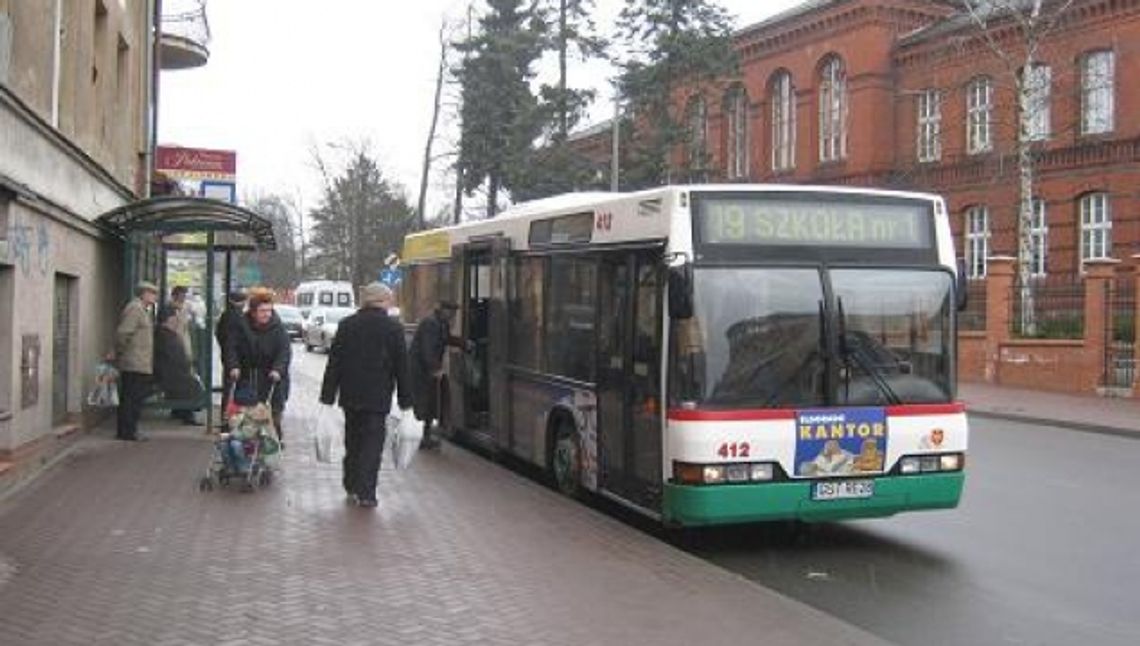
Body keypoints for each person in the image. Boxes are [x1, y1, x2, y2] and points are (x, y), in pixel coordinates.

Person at [320, 283, 412, 508]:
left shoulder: (347, 325)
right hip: (378, 397)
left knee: (353, 441)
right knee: (372, 445)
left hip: (350, 396)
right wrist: (406, 401)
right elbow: (402, 367)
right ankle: (367, 492)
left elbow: (335, 363)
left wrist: (327, 397)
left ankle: (351, 484)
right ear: (383, 301)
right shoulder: (393, 329)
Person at [224, 289, 291, 444]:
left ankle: (272, 445)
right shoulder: (242, 325)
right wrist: (234, 366)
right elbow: (231, 347)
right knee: (245, 415)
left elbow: (284, 352)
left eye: (269, 310)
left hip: (271, 379)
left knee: (272, 415)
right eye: (262, 311)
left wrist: (278, 369)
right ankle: (246, 446)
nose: (266, 314)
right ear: (253, 312)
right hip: (248, 377)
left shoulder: (278, 328)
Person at [409, 301, 462, 450]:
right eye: (450, 312)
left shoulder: (441, 323)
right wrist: (435, 368)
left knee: (431, 403)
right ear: (442, 310)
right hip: (420, 370)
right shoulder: (431, 324)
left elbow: (447, 339)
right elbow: (427, 349)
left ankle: (427, 436)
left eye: (454, 313)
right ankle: (423, 437)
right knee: (425, 403)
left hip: (428, 369)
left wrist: (463, 343)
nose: (453, 316)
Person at [114, 281, 158, 441]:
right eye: (152, 293)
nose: (155, 297)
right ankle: (127, 431)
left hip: (140, 362)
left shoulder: (143, 310)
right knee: (131, 398)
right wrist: (119, 351)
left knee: (135, 398)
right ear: (144, 294)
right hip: (134, 362)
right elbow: (124, 332)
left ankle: (129, 429)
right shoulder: (135, 308)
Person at [153, 305, 204, 424]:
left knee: (189, 381)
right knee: (192, 384)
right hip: (166, 373)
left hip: (169, 370)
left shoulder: (167, 333)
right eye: (176, 317)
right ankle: (187, 415)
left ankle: (180, 411)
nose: (178, 320)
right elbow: (174, 357)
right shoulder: (164, 334)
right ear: (169, 319)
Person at [215, 290, 247, 423]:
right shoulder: (237, 316)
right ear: (241, 302)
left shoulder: (225, 315)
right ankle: (228, 418)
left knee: (229, 388)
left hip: (228, 356)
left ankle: (226, 416)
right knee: (232, 389)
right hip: (235, 359)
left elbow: (219, 334)